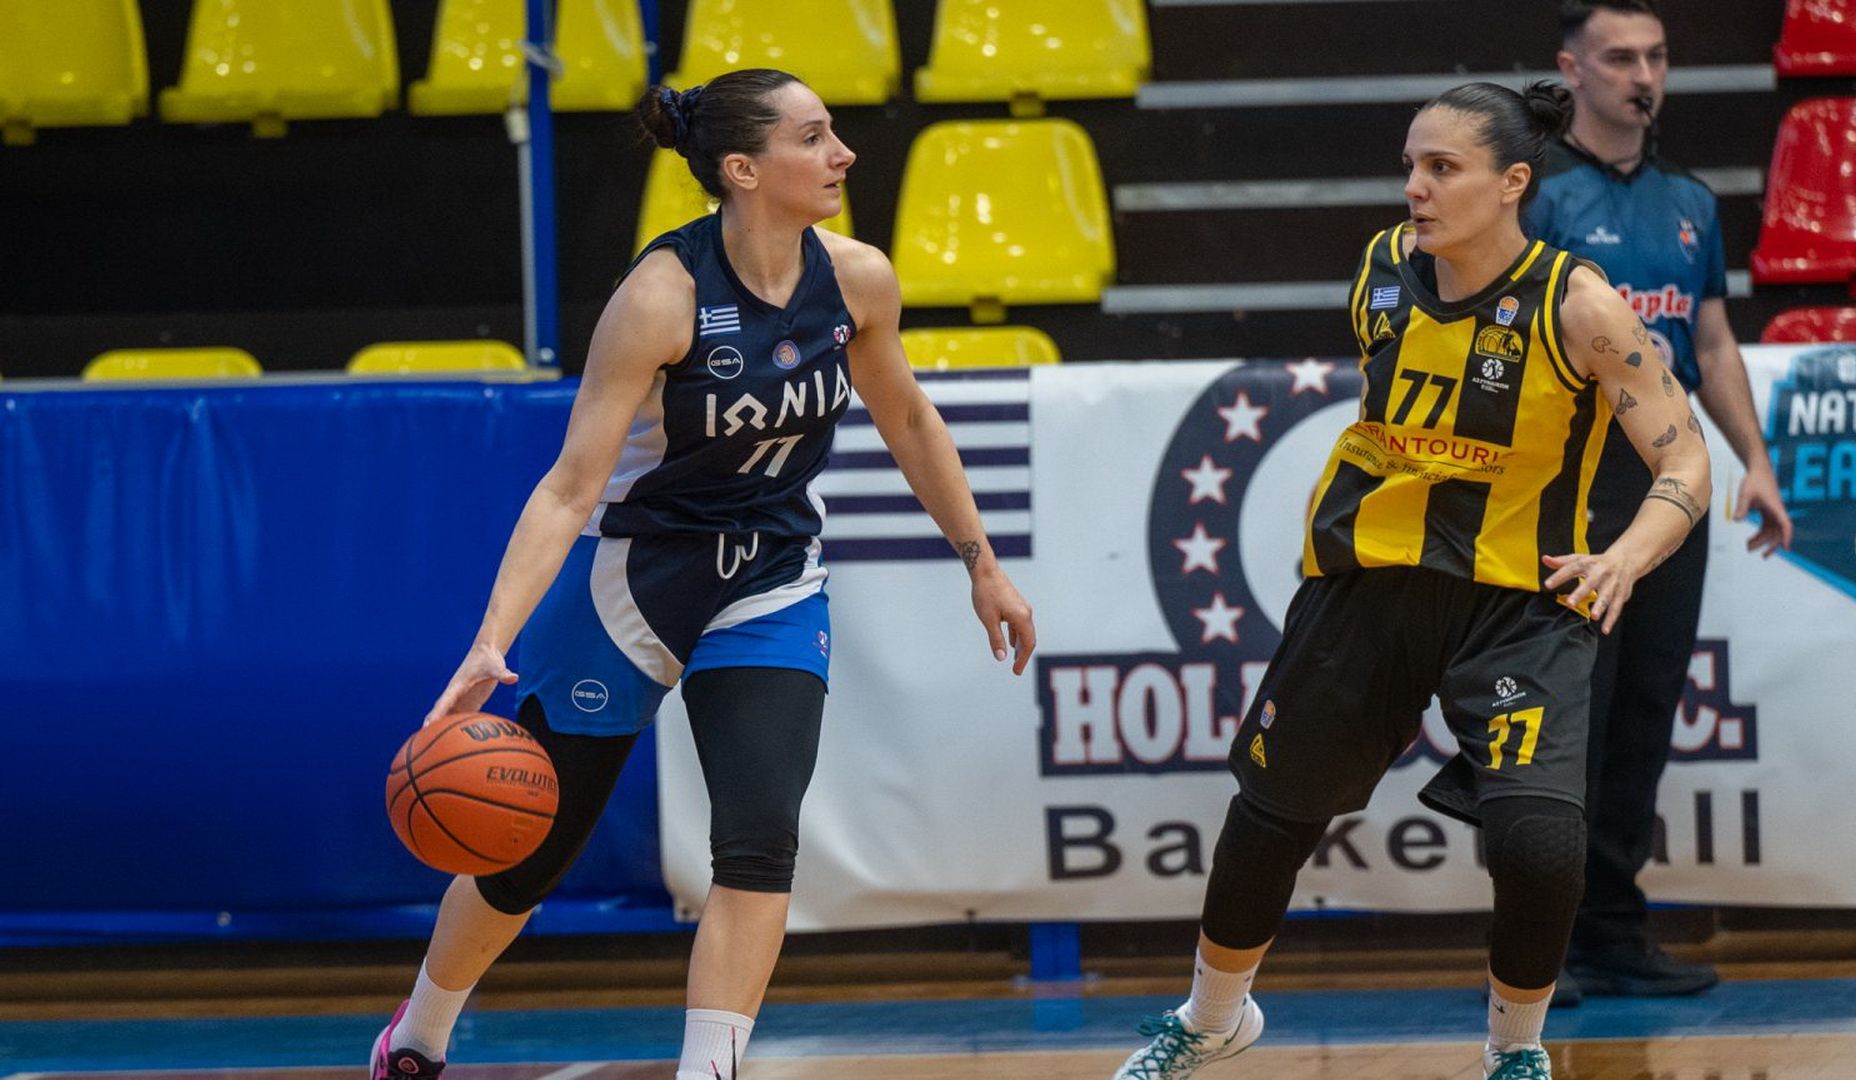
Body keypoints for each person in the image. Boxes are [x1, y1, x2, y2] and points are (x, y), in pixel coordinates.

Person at [367, 68, 1037, 1080]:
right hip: (636, 580)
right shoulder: (661, 296)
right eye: (813, 137)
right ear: (742, 169)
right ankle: (418, 1034)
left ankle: (708, 1070)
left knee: (760, 842)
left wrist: (981, 564)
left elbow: (907, 418)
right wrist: (490, 640)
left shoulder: (857, 280)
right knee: (527, 847)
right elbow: (568, 488)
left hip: (770, 579)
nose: (843, 154)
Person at [1112, 81, 1711, 1080]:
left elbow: (1685, 458)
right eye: (1410, 167)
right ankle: (1212, 1019)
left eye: (1442, 168)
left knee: (1538, 843)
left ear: (1511, 182)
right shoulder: (1383, 268)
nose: (1415, 188)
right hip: (1370, 587)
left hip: (1519, 603)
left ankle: (1516, 1052)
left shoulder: (1579, 305)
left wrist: (1624, 557)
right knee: (1271, 814)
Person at [1526, 0, 1792, 1004]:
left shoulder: (1689, 200)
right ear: (1572, 70)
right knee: (1566, 718)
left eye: (1657, 56)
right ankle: (1537, 945)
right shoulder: (1536, 194)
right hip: (1568, 483)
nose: (1644, 75)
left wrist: (1754, 461)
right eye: (1620, 57)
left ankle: (1611, 934)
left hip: (1670, 481)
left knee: (1643, 711)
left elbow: (1711, 343)